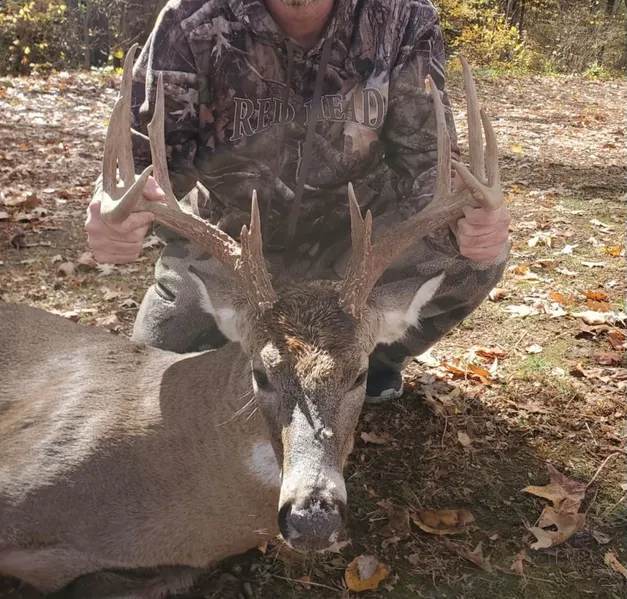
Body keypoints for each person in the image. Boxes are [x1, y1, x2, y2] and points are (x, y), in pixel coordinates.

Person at [85, 0, 511, 402]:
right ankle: (255, 357)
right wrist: (117, 209)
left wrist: (466, 220)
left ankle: (368, 358)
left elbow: (425, 157)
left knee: (474, 259)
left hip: (357, 246)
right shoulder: (193, 19)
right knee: (154, 380)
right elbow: (143, 162)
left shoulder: (400, 16)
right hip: (232, 246)